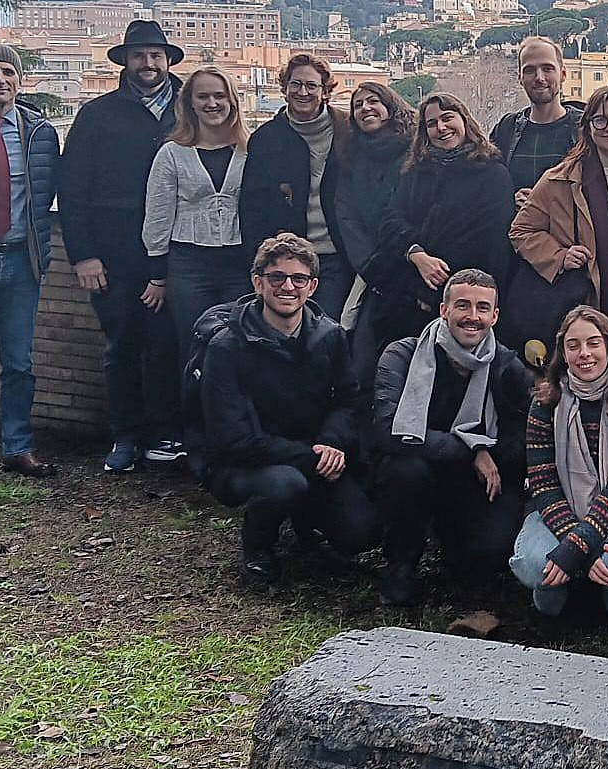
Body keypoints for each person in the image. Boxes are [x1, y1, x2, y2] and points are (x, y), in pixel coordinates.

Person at [194, 234, 378, 587]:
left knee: (362, 533)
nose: (287, 287)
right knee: (285, 484)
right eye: (277, 277)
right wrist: (313, 455)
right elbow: (233, 437)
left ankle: (304, 526)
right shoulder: (226, 346)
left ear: (312, 286)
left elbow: (348, 399)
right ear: (257, 282)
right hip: (244, 462)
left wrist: (333, 442)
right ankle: (258, 547)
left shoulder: (331, 336)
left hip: (313, 453)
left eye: (299, 279)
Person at [57, 19, 184, 473]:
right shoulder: (97, 114)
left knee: (169, 345)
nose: (148, 64)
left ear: (168, 60)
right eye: (139, 55)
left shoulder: (192, 109)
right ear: (125, 61)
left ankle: (166, 435)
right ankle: (126, 436)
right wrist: (83, 254)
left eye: (156, 55)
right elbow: (72, 188)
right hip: (113, 255)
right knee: (122, 345)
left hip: (176, 253)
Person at [369, 269, 533, 607]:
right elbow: (390, 432)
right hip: (419, 470)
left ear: (495, 315)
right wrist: (472, 448)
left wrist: (491, 453)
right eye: (462, 306)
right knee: (406, 471)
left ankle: (457, 548)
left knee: (489, 548)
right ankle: (400, 564)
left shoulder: (507, 365)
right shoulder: (402, 355)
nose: (472, 317)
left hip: (477, 479)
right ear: (444, 310)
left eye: (482, 308)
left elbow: (522, 435)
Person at [510, 306, 608, 618]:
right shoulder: (545, 403)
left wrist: (578, 546)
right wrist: (579, 545)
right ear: (563, 353)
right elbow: (543, 484)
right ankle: (554, 605)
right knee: (531, 565)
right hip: (554, 508)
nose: (584, 353)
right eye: (573, 345)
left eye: (594, 343)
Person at [509, 85, 608, 332]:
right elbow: (521, 230)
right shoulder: (558, 180)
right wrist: (558, 256)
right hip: (580, 309)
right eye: (600, 120)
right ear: (588, 127)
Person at [367, 92, 515, 346]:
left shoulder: (492, 175)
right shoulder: (415, 171)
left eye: (447, 118)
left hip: (463, 306)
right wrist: (416, 254)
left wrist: (437, 289)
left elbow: (487, 244)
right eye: (432, 124)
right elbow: (390, 222)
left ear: (465, 121)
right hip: (405, 299)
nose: (441, 128)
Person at [0, 44, 59, 477]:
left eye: (9, 71)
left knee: (19, 363)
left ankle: (17, 447)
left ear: (20, 80)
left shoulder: (39, 132)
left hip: (22, 261)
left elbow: (49, 196)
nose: (1, 79)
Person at [142, 66, 249, 359]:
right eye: (203, 96)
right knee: (193, 347)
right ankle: (193, 405)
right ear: (190, 102)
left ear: (232, 101)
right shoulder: (172, 153)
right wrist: (158, 276)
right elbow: (158, 217)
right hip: (189, 265)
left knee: (238, 348)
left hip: (240, 263)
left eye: (219, 96)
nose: (212, 103)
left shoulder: (250, 150)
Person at [240, 53, 353, 314]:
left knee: (327, 329)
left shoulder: (348, 130)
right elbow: (252, 208)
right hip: (288, 258)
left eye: (312, 86)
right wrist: (261, 260)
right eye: (296, 84)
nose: (303, 92)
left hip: (338, 253)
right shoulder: (265, 140)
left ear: (325, 92)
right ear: (285, 88)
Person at [332, 81, 415, 380]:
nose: (365, 108)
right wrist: (370, 264)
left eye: (373, 101)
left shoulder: (416, 150)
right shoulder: (350, 156)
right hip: (371, 271)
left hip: (411, 266)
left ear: (390, 107)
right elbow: (346, 214)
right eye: (357, 105)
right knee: (362, 355)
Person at [489, 36, 583, 209]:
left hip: (570, 234)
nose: (539, 77)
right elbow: (488, 186)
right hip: (517, 233)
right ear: (520, 78)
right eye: (530, 70)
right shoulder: (505, 130)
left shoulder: (585, 128)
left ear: (562, 74)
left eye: (547, 68)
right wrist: (510, 199)